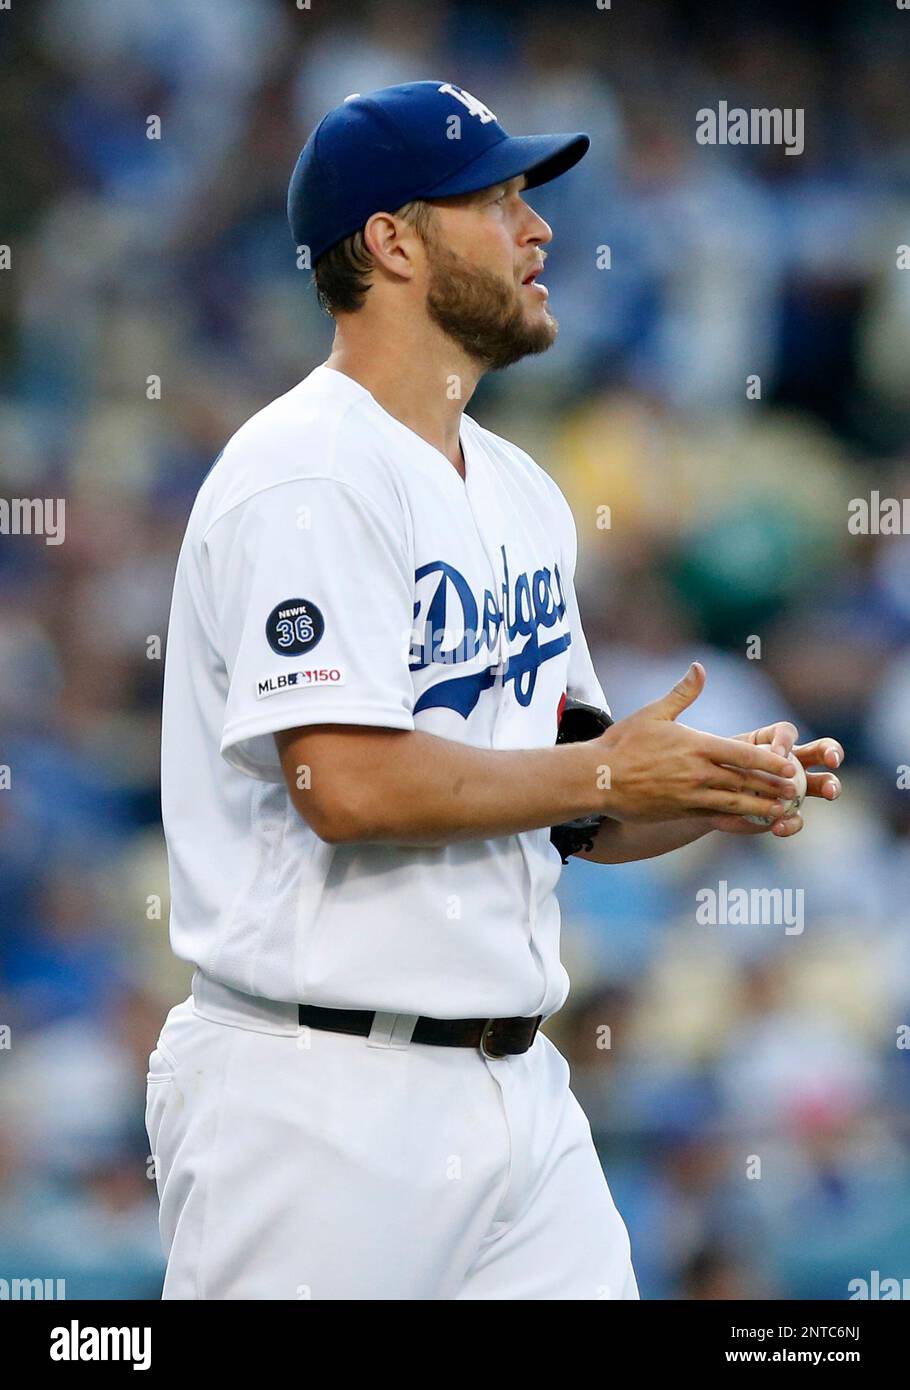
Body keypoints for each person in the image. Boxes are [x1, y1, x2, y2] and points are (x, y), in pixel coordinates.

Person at [148, 81, 843, 1300]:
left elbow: (566, 792)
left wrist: (717, 786)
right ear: (392, 241)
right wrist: (615, 767)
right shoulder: (302, 473)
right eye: (499, 197)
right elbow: (347, 785)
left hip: (520, 1089)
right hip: (316, 1097)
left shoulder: (515, 484)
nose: (541, 231)